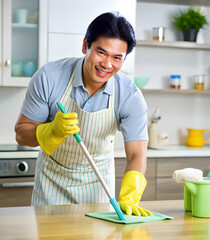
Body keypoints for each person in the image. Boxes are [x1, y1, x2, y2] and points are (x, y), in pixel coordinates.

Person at [15, 12, 151, 217]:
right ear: (85, 45)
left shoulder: (129, 95)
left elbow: (136, 154)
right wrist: (52, 130)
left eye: (117, 58)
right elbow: (22, 134)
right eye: (101, 52)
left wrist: (130, 196)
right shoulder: (49, 77)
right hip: (51, 184)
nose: (107, 64)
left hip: (99, 188)